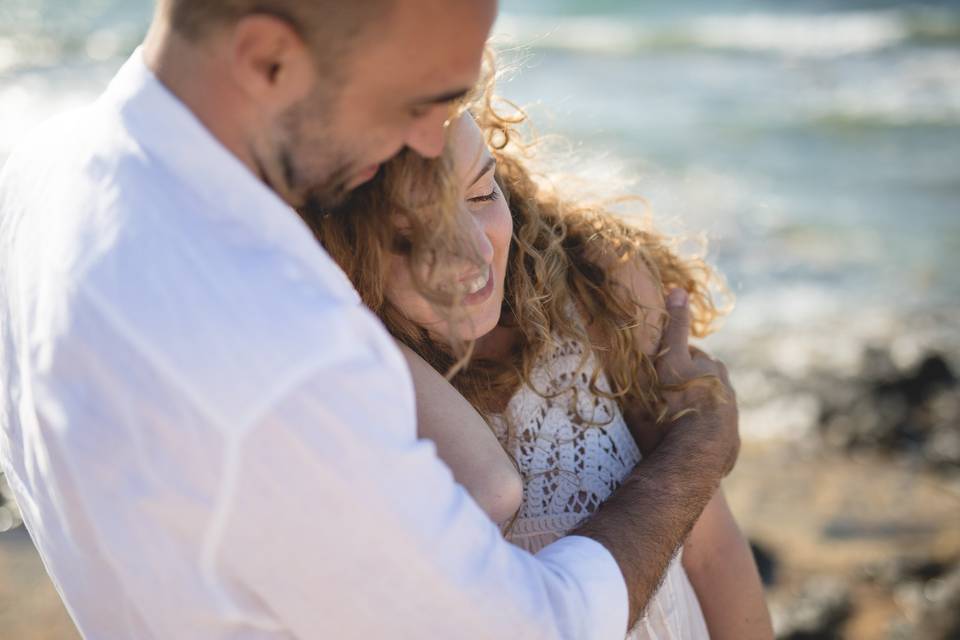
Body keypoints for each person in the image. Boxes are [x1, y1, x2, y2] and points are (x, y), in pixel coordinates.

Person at [0, 1, 739, 637]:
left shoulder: (43, 180)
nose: (429, 142)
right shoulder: (279, 348)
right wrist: (694, 455)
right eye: (413, 103)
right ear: (267, 60)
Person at [312, 66, 772, 639]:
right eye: (411, 238)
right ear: (333, 253)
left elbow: (710, 546)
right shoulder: (334, 375)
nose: (477, 253)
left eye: (482, 192)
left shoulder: (599, 287)